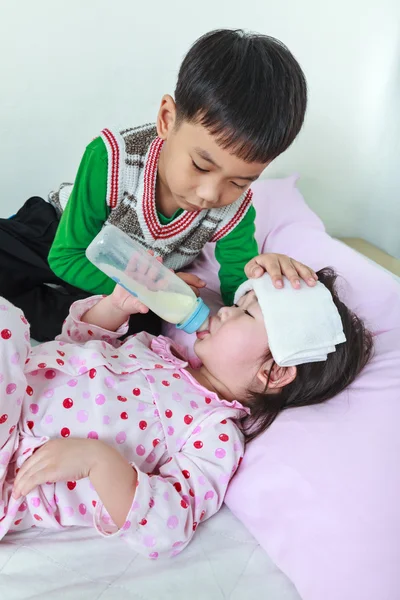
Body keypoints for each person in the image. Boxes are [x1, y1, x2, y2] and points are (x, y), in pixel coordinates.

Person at [0, 256, 372, 558]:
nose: (224, 311)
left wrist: (100, 462)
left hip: (14, 467)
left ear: (273, 372)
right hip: (13, 384)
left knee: (7, 323)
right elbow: (73, 343)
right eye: (235, 304)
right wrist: (115, 307)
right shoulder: (157, 350)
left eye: (246, 314)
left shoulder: (213, 432)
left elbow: (168, 526)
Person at [0, 29, 308, 341]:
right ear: (167, 119)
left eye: (239, 182)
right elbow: (65, 257)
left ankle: (34, 312)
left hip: (129, 279)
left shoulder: (234, 210)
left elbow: (237, 290)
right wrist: (151, 288)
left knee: (141, 331)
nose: (210, 194)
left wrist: (263, 280)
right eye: (201, 166)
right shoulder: (111, 158)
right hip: (62, 236)